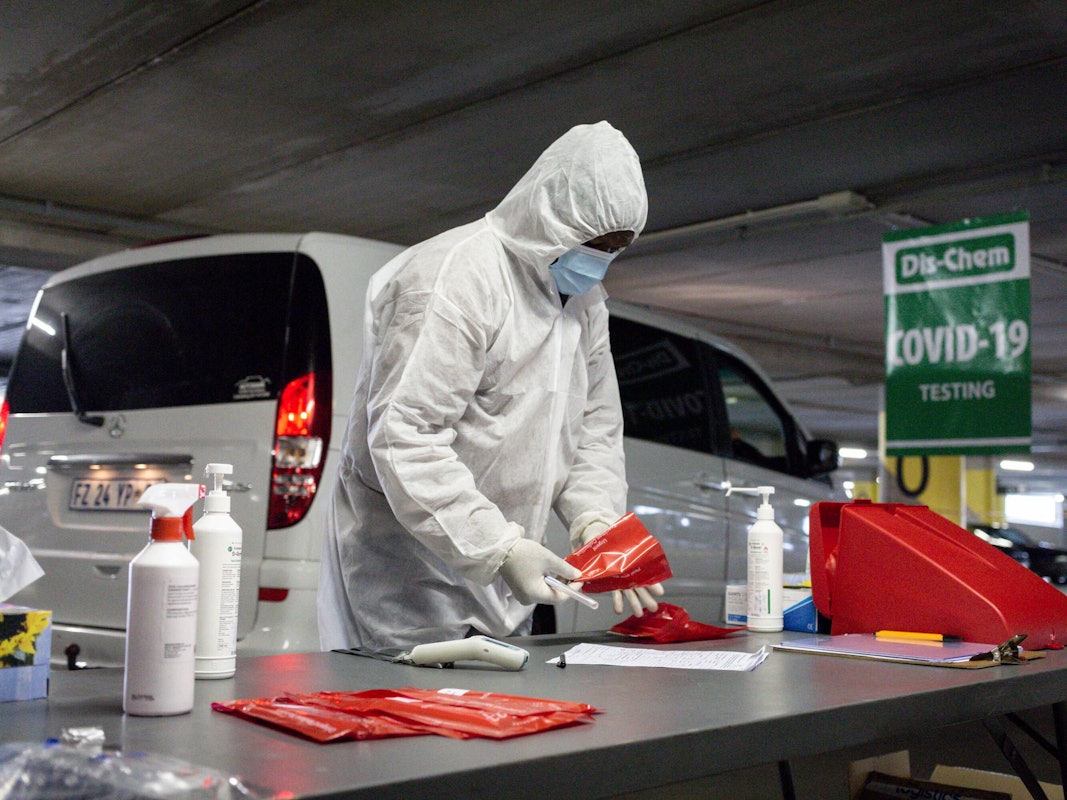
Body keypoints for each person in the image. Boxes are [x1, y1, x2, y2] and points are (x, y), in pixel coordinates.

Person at [318, 121, 663, 652]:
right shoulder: (453, 280)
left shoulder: (585, 303)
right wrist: (498, 549)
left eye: (618, 248)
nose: (602, 260)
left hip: (505, 574)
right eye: (596, 244)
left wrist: (594, 520)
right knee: (416, 723)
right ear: (553, 218)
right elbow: (406, 436)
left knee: (496, 719)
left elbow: (592, 429)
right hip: (410, 573)